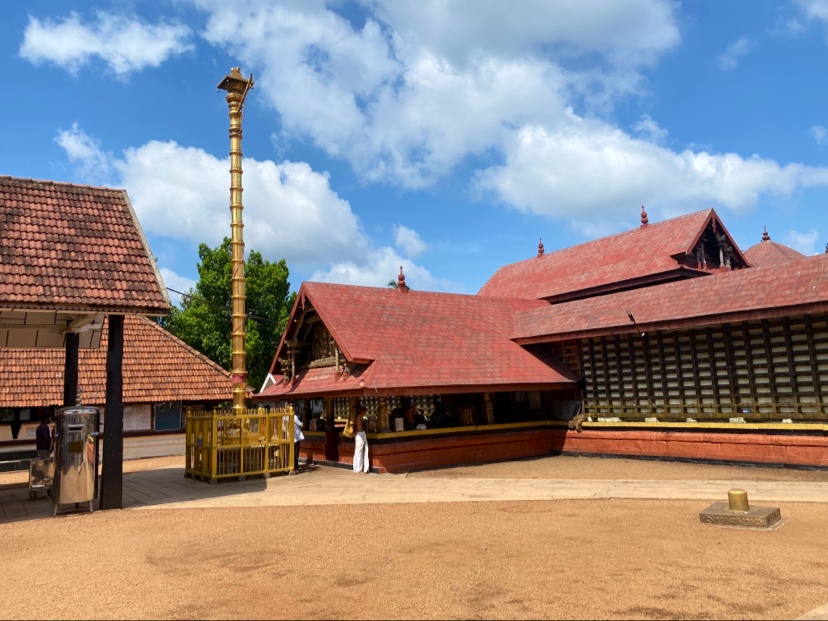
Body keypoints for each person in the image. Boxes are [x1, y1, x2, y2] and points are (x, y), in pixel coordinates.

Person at [352, 404, 370, 475]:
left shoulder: (358, 417)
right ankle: (359, 470)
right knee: (359, 452)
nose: (365, 412)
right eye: (364, 411)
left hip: (359, 434)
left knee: (358, 452)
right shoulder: (359, 417)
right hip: (359, 434)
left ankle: (356, 468)